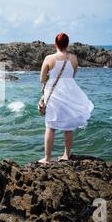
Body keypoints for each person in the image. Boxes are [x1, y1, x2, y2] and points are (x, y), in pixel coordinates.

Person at [38, 33, 94, 164]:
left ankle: (47, 159)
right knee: (68, 127)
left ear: (55, 44)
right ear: (67, 44)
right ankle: (66, 155)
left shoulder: (49, 58)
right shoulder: (74, 58)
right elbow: (72, 75)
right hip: (69, 92)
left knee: (50, 126)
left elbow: (42, 79)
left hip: (53, 94)